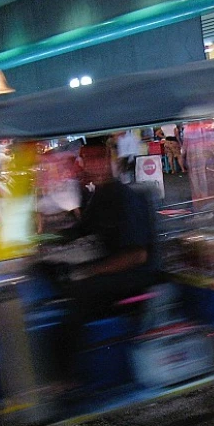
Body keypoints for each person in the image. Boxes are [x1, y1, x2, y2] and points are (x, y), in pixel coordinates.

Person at [55, 138, 159, 380]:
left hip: (135, 276)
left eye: (99, 158)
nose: (93, 165)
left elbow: (137, 255)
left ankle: (65, 379)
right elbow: (81, 231)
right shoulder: (98, 195)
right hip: (112, 268)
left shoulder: (124, 198)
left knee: (79, 292)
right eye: (88, 159)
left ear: (111, 159)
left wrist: (90, 271)